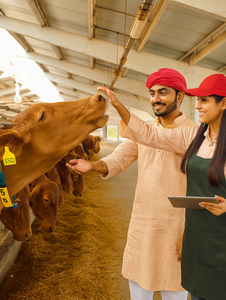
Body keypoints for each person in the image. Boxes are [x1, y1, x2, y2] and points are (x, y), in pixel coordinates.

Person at [67, 68, 195, 300]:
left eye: (163, 92)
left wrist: (190, 231)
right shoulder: (144, 129)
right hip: (143, 223)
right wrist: (92, 166)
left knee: (175, 293)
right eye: (152, 93)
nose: (155, 98)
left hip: (176, 226)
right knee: (138, 292)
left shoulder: (194, 134)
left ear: (180, 96)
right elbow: (119, 158)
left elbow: (201, 186)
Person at [96, 73, 226, 300]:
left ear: (223, 103)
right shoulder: (194, 136)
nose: (198, 106)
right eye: (198, 100)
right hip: (188, 230)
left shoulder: (195, 132)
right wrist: (119, 107)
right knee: (195, 291)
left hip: (208, 231)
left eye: (204, 100)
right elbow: (149, 135)